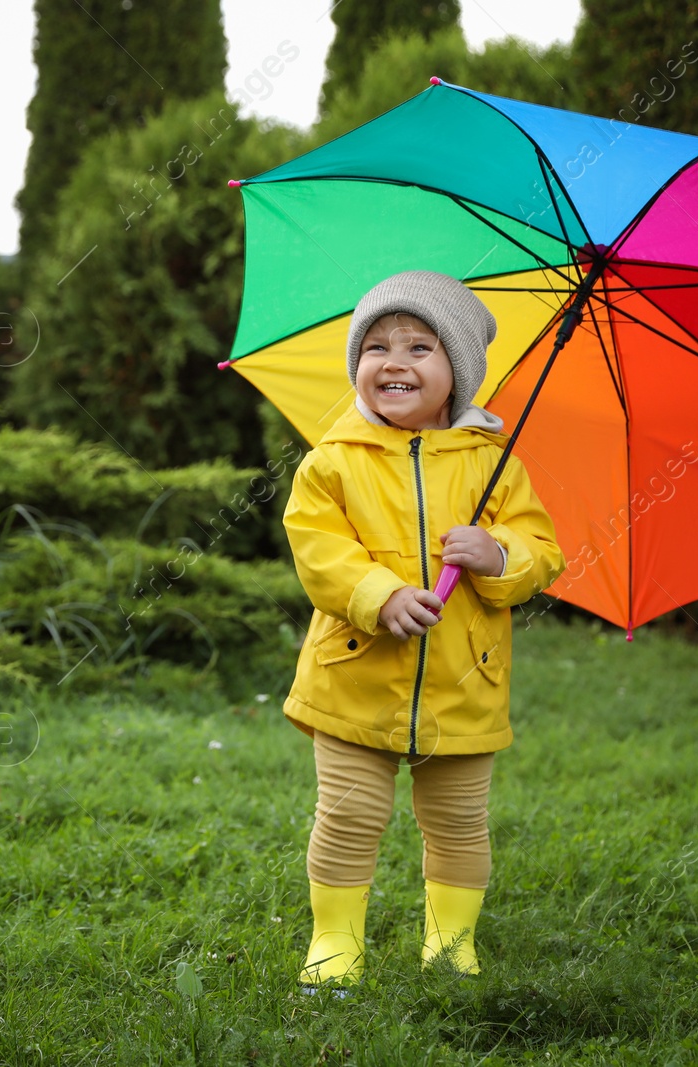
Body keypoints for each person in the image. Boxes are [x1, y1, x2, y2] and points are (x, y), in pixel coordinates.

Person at [281, 270, 565, 992]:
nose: (394, 361)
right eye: (375, 346)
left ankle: (451, 943)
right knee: (349, 817)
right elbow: (320, 551)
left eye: (420, 346)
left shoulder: (494, 464)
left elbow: (543, 553)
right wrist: (378, 594)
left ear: (459, 372)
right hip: (354, 677)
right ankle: (335, 941)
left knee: (460, 822)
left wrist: (497, 552)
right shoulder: (331, 461)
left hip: (464, 682)